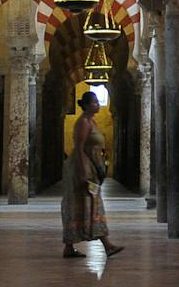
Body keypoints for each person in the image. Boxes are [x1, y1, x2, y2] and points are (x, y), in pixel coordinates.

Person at [60, 90, 123, 260]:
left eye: (97, 101)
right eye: (94, 102)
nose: (97, 104)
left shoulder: (91, 121)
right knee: (84, 203)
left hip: (91, 166)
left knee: (89, 204)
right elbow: (79, 148)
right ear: (87, 105)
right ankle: (106, 245)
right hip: (82, 167)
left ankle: (70, 246)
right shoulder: (83, 123)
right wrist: (83, 170)